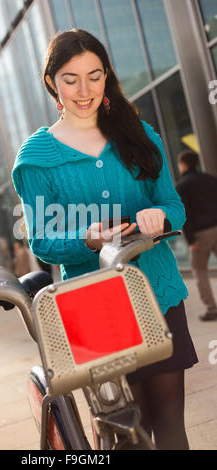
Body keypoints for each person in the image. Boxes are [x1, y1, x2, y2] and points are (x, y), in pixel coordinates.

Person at [11, 29, 198, 450]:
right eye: (71, 78)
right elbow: (41, 239)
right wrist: (87, 237)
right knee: (121, 433)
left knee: (170, 425)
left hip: (159, 294)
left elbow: (173, 205)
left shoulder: (138, 134)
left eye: (94, 76)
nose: (84, 89)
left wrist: (160, 215)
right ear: (52, 83)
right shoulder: (37, 158)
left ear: (106, 76)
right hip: (94, 308)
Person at [176, 150, 217, 321]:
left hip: (200, 233)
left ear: (183, 164)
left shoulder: (182, 186)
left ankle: (212, 309)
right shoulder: (211, 179)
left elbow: (184, 214)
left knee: (200, 272)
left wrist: (191, 239)